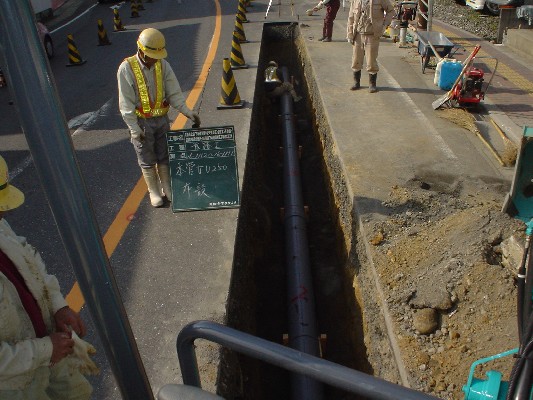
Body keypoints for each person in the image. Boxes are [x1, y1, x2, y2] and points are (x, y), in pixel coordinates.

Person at [0, 155, 98, 400]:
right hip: (14, 383)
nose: (2, 214)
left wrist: (57, 305)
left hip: (48, 349)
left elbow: (28, 259)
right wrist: (44, 350)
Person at [117, 28, 201, 207]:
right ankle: (153, 191)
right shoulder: (126, 68)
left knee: (164, 154)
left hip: (162, 119)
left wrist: (187, 111)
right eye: (151, 55)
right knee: (146, 157)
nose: (154, 59)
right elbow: (126, 102)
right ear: (141, 50)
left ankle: (167, 187)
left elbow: (174, 92)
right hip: (141, 121)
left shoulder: (163, 65)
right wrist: (134, 128)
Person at [347, 0, 395, 92]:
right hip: (358, 34)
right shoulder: (356, 1)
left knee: (371, 60)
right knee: (356, 59)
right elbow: (351, 17)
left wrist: (385, 25)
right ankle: (356, 82)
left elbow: (391, 11)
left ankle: (372, 84)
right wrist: (349, 34)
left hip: (372, 35)